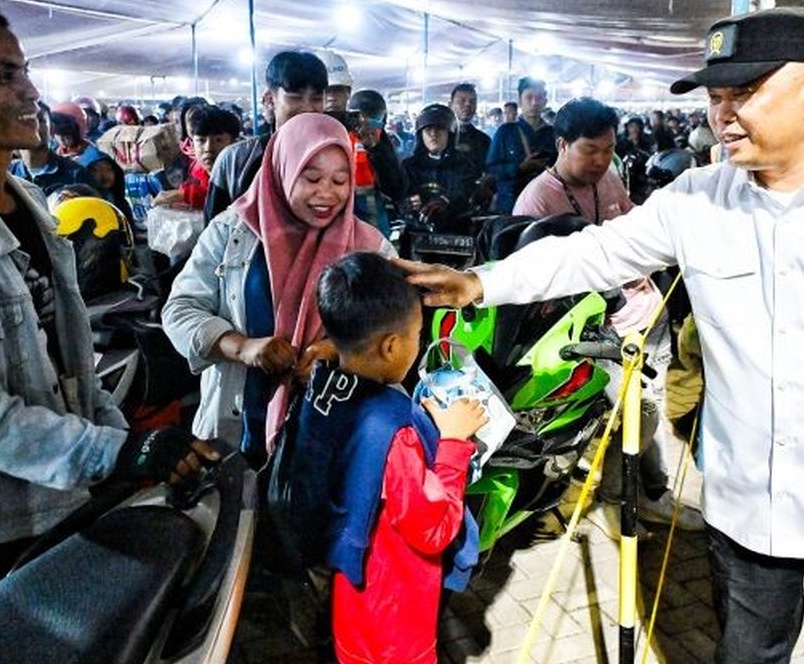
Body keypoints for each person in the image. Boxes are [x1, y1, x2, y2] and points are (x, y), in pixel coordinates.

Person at [398, 7, 804, 664]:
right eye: (715, 97)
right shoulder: (697, 198)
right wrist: (478, 283)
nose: (723, 115)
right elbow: (591, 253)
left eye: (746, 93)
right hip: (746, 511)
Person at [0, 0, 216, 639]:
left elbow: (69, 357)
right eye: (5, 75)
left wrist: (124, 445)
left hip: (58, 495)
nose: (30, 91)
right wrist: (113, 450)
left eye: (24, 71)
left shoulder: (26, 201)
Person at [511, 97, 703, 532]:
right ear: (562, 144)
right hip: (599, 335)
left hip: (646, 316)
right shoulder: (536, 202)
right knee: (637, 413)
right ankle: (618, 498)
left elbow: (635, 228)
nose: (601, 160)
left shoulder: (609, 178)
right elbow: (536, 285)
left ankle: (646, 493)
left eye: (608, 149)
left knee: (648, 409)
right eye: (590, 150)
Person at [162, 113, 394, 466]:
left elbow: (397, 329)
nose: (327, 193)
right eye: (311, 178)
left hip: (330, 438)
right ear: (282, 170)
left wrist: (340, 351)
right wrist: (240, 347)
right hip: (235, 430)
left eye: (339, 180)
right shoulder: (232, 231)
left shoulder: (370, 248)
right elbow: (180, 309)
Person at [298, 252, 484, 664]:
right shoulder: (393, 431)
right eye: (417, 335)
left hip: (350, 595)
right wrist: (454, 442)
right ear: (390, 346)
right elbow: (432, 529)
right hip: (394, 609)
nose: (418, 344)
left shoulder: (322, 387)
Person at [205, 51, 328, 223]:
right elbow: (213, 229)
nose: (308, 108)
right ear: (270, 100)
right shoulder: (235, 160)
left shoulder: (334, 159)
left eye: (316, 98)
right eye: (295, 97)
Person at [401, 103, 482, 229]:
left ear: (450, 134)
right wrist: (405, 204)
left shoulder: (464, 165)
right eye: (428, 130)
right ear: (421, 135)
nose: (433, 134)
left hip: (456, 229)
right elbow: (398, 196)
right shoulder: (409, 166)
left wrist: (447, 201)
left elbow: (468, 193)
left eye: (439, 129)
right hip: (416, 229)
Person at [485, 77, 555, 213]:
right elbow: (492, 169)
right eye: (529, 97)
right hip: (511, 204)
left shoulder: (552, 134)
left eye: (539, 97)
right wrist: (519, 168)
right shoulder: (505, 132)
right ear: (520, 101)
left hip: (545, 204)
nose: (534, 102)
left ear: (545, 101)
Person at [153, 105, 241, 210]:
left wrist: (183, 195)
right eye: (201, 140)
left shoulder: (242, 173)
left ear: (234, 144)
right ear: (192, 143)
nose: (208, 148)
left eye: (218, 140)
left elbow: (224, 198)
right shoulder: (197, 172)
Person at [347, 89, 409, 235]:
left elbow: (397, 190)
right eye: (360, 117)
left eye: (373, 119)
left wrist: (375, 150)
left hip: (374, 228)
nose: (366, 124)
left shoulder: (383, 145)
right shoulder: (340, 139)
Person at [8, 101, 95, 196]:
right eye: (25, 120)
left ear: (52, 129)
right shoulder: (6, 174)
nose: (33, 125)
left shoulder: (76, 175)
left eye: (41, 119)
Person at [449, 83, 491, 176]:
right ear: (450, 104)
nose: (468, 104)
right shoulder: (440, 136)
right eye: (462, 101)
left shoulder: (483, 140)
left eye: (472, 101)